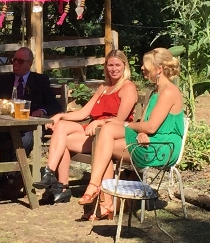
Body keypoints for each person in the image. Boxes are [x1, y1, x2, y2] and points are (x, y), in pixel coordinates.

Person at [77, 48, 184, 220]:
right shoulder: (155, 91)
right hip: (150, 140)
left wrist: (128, 124)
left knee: (109, 134)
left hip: (163, 147)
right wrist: (142, 131)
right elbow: (148, 125)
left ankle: (99, 192)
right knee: (106, 138)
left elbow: (150, 127)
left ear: (159, 69)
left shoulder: (169, 91)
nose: (142, 68)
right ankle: (104, 200)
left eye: (146, 65)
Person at [33, 50, 138, 204]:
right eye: (110, 65)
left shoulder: (128, 87)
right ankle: (51, 175)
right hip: (93, 130)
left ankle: (61, 187)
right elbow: (83, 112)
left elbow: (120, 120)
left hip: (109, 134)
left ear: (124, 66)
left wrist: (100, 122)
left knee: (63, 141)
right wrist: (60, 115)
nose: (113, 69)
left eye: (117, 65)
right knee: (61, 127)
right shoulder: (104, 87)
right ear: (106, 67)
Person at [0, 47, 63, 158]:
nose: (16, 63)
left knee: (26, 138)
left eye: (20, 61)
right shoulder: (3, 80)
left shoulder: (40, 81)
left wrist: (42, 110)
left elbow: (55, 105)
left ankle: (16, 171)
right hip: (4, 124)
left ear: (29, 64)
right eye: (14, 60)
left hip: (28, 126)